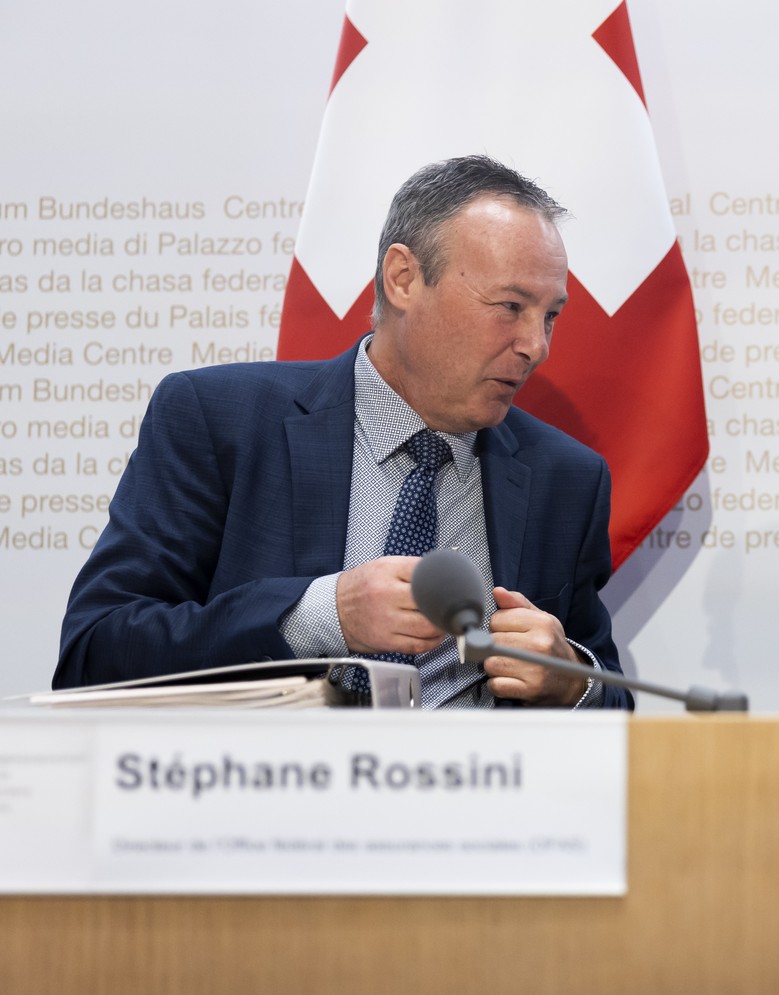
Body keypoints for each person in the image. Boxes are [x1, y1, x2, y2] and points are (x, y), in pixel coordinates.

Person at [55, 155, 631, 709]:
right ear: (404, 278)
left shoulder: (567, 478)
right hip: (267, 797)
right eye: (510, 306)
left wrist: (568, 683)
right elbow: (96, 653)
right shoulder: (217, 421)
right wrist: (321, 615)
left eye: (550, 315)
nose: (537, 346)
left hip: (481, 798)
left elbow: (609, 693)